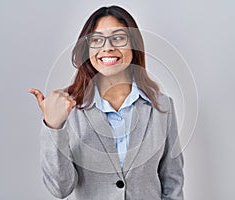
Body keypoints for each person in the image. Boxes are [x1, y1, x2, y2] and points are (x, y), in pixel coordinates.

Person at [29, 5, 184, 200]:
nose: (108, 47)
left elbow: (173, 183)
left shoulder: (162, 106)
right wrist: (53, 126)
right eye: (96, 40)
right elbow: (60, 189)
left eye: (118, 38)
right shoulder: (68, 107)